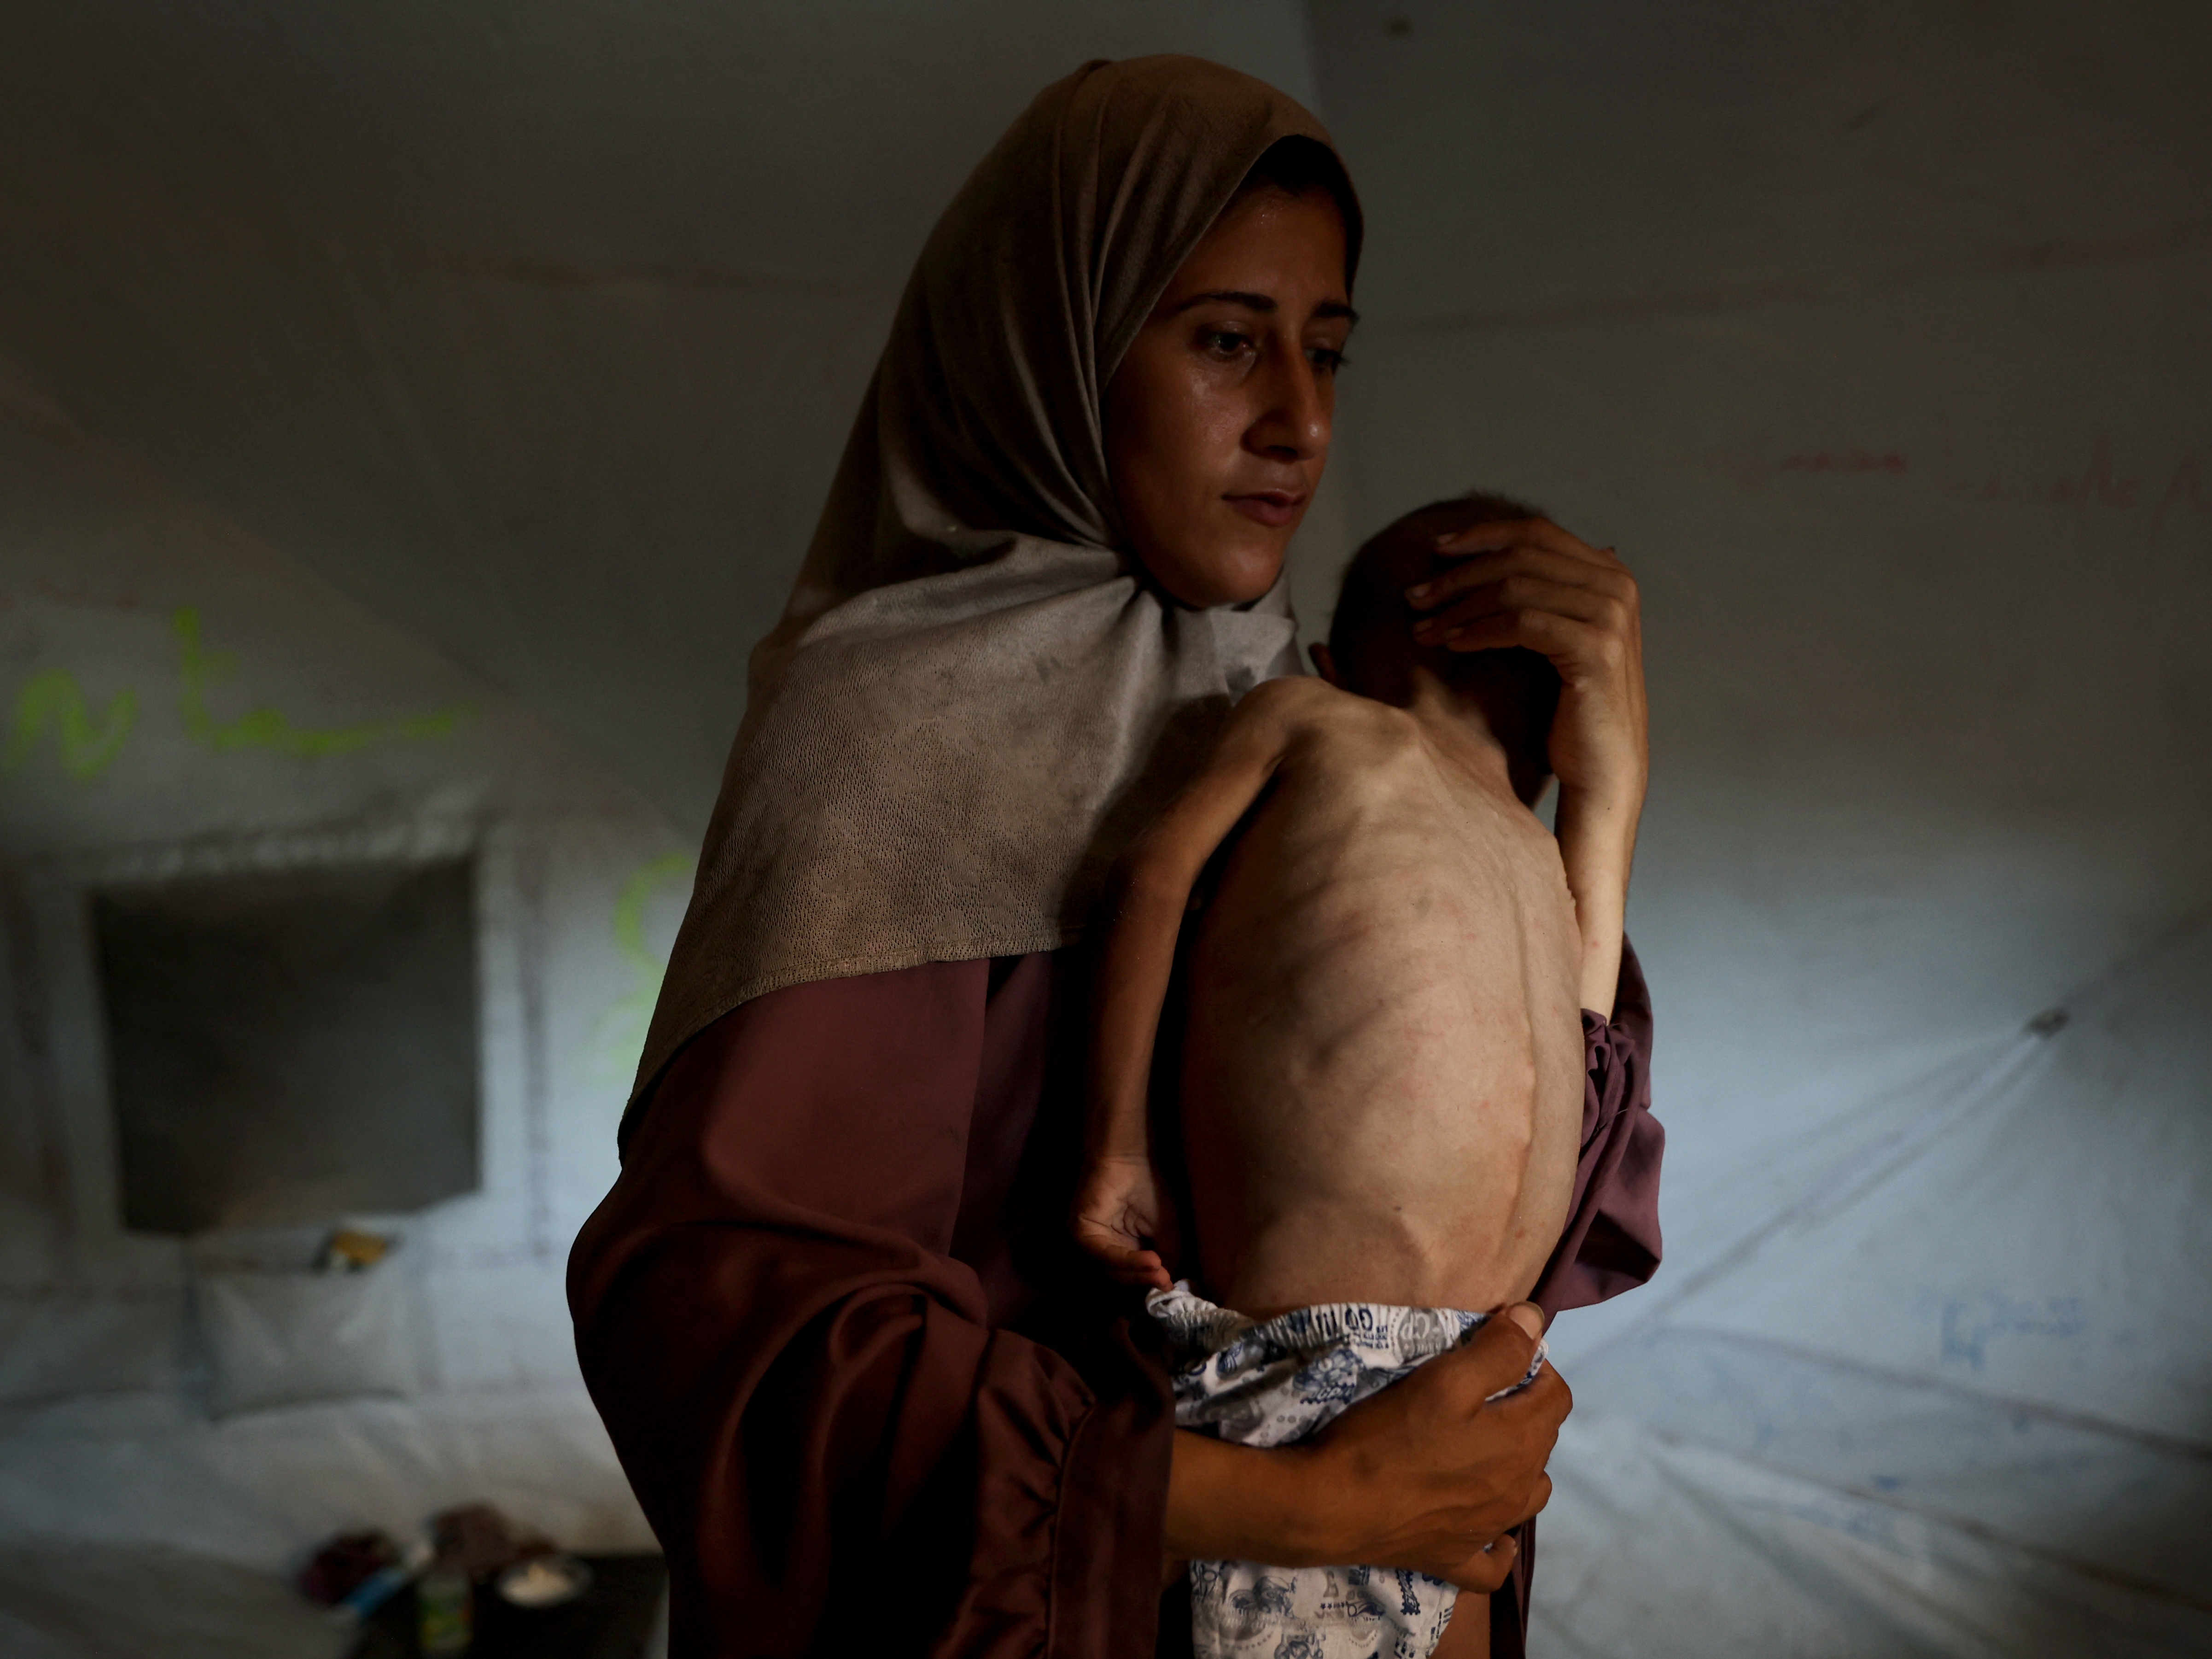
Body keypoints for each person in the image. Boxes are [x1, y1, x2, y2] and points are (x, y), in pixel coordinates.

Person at [567, 56, 1662, 1659]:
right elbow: (734, 1341)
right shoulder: (885, 735)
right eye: (1226, 341)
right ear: (1055, 343)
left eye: (1327, 349)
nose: (1296, 419)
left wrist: (1605, 796)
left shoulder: (1309, 717)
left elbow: (1515, 1232)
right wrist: (1294, 1512)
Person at [1074, 491, 1640, 1659]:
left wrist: (1603, 795)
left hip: (1469, 1385)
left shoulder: (1535, 848)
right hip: (1293, 1376)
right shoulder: (1317, 723)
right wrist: (1116, 1143)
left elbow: (1590, 1056)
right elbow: (1153, 880)